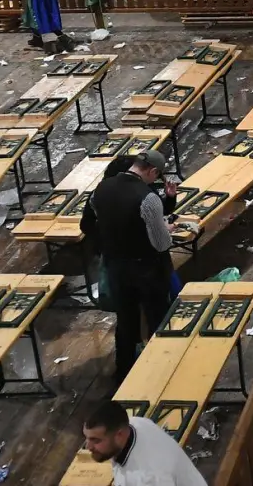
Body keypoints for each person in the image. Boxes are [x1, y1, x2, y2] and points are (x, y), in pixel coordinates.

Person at [80, 150, 176, 380]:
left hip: (116, 267)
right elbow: (161, 244)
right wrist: (168, 231)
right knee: (157, 317)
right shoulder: (147, 197)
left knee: (126, 320)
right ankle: (159, 371)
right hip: (148, 269)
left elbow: (93, 223)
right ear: (152, 171)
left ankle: (123, 370)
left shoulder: (101, 189)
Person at [82, 401, 207, 486]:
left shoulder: (149, 478)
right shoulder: (134, 423)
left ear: (119, 435)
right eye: (86, 438)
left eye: (96, 440)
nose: (88, 447)